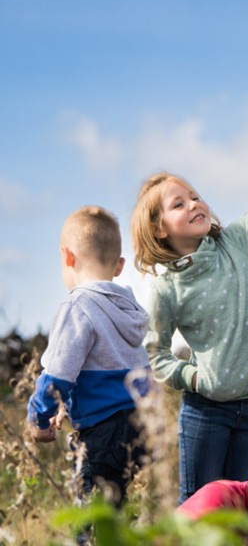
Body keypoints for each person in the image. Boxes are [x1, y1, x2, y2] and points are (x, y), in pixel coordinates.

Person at [131, 91, 248, 504]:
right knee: (200, 507)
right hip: (206, 412)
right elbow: (155, 354)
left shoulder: (239, 243)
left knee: (247, 507)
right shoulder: (166, 288)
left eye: (194, 196)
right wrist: (192, 377)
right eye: (179, 204)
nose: (194, 203)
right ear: (160, 230)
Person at [27, 205, 150, 507]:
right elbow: (112, 373)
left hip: (101, 435)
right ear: (119, 265)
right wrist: (68, 408)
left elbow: (56, 375)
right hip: (142, 428)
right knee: (117, 512)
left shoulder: (78, 306)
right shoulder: (127, 308)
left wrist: (39, 418)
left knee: (88, 516)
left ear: (67, 257)